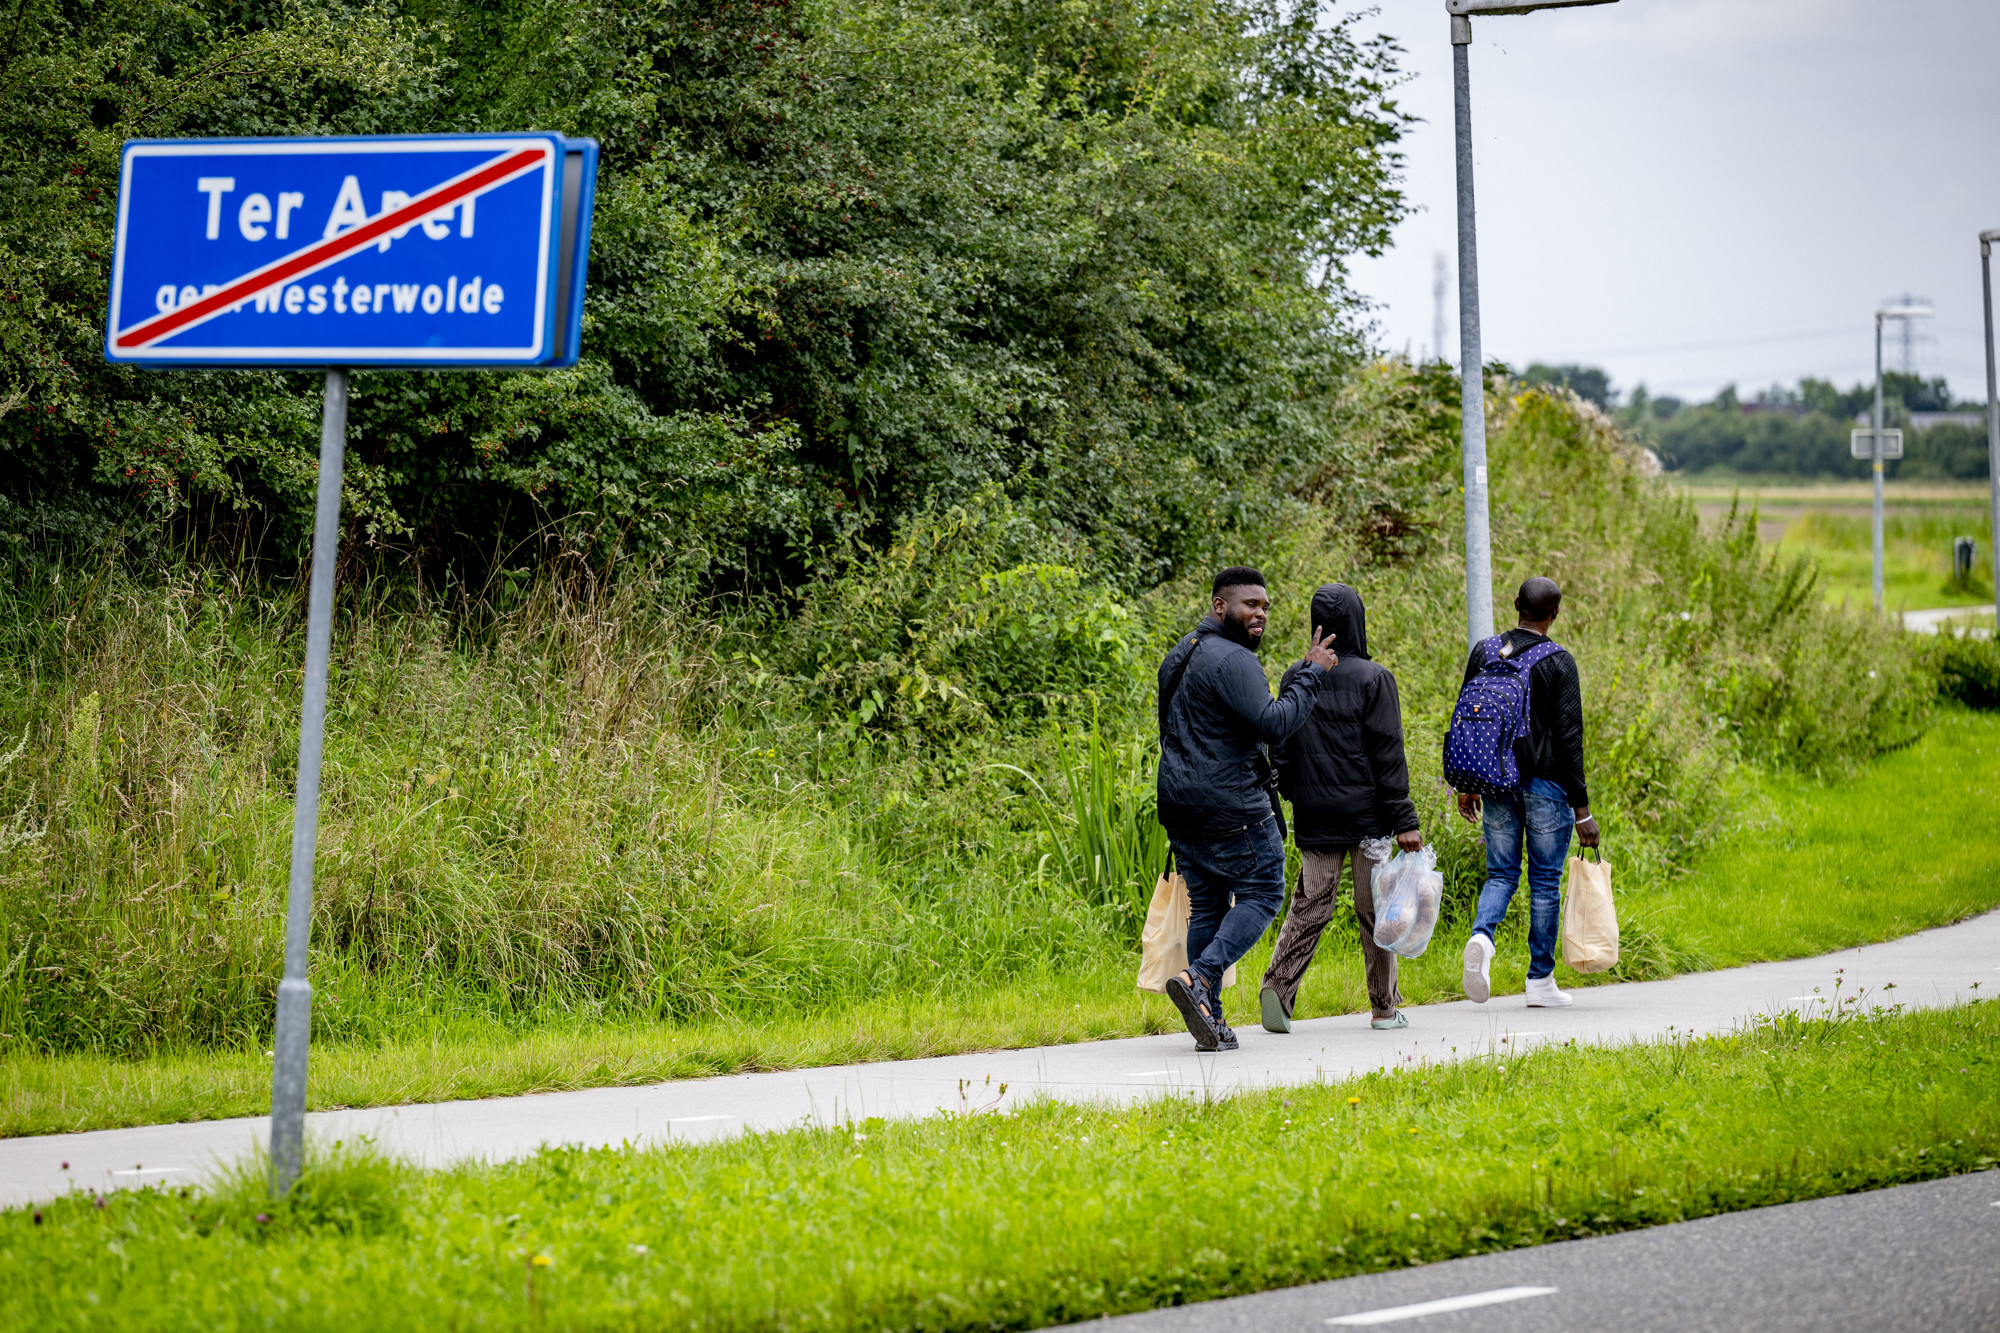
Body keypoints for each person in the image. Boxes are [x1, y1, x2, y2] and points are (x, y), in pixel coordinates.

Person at [1156, 566, 1338, 1051]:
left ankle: (1209, 1020)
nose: (1260, 615)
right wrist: (1314, 675)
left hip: (1179, 803)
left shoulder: (1180, 655)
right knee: (1263, 891)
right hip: (1230, 803)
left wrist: (1300, 672)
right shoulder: (1234, 660)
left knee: (1209, 907)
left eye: (1265, 607)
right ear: (1219, 606)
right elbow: (1275, 723)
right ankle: (1201, 978)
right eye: (1249, 605)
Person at [1261, 584, 1422, 1035]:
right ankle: (1384, 1009)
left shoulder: (1299, 674)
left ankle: (1279, 989)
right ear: (1358, 620)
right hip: (1369, 819)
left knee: (1311, 903)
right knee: (1377, 912)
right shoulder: (1374, 678)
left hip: (1317, 816)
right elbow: (1388, 755)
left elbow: (1282, 744)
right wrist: (1404, 820)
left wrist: (1298, 793)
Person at [1453, 576, 1600, 1008]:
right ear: (1556, 613)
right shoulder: (1559, 662)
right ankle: (1539, 981)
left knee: (1501, 873)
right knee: (1544, 881)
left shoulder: (1485, 652)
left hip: (1497, 780)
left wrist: (1466, 783)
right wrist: (1583, 811)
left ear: (1515, 603)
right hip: (1548, 789)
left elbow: (1467, 717)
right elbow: (1570, 740)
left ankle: (1482, 936)